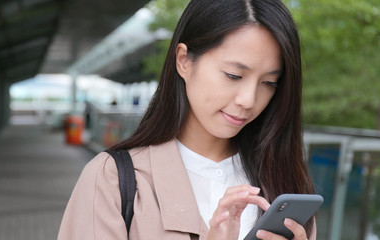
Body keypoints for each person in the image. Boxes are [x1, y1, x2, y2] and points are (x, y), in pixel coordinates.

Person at [58, 0, 317, 239]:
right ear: (184, 61)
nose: (248, 100)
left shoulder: (285, 183)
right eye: (233, 75)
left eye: (269, 82)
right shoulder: (112, 180)